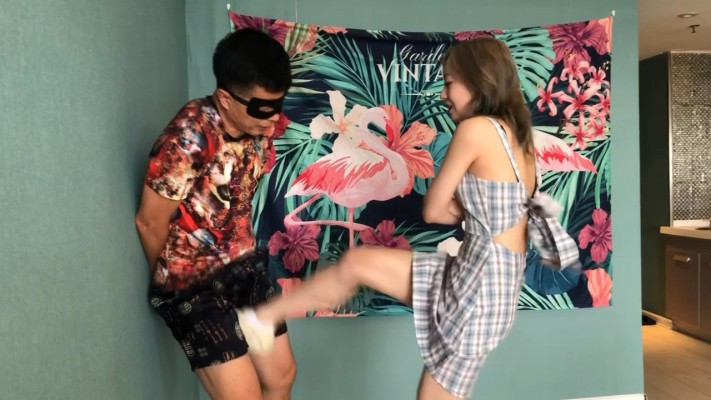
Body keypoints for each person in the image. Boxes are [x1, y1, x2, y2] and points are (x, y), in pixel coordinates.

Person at [236, 37, 581, 400]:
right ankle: (262, 319)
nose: (444, 95)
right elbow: (497, 210)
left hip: (478, 291)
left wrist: (463, 208)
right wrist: (470, 209)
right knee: (356, 263)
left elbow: (434, 210)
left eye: (450, 83)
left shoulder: (477, 129)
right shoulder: (517, 138)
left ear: (478, 81)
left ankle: (261, 319)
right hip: (481, 278)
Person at [135, 28, 296, 400]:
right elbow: (149, 221)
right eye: (262, 108)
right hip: (194, 282)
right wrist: (175, 282)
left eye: (278, 105)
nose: (272, 119)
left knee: (281, 376)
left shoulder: (260, 130)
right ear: (225, 98)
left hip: (244, 269)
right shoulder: (188, 137)